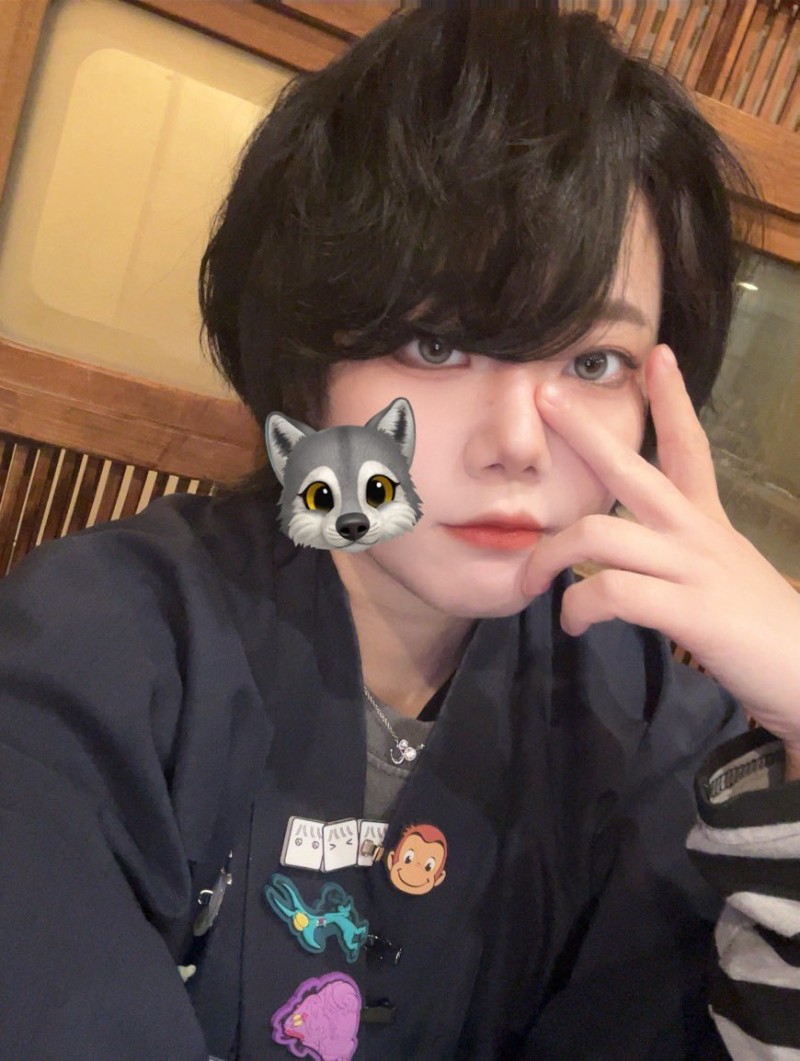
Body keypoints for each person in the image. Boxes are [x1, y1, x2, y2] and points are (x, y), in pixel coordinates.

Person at [1, 6, 798, 1059]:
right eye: (436, 344)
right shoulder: (89, 658)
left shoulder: (653, 722)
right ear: (307, 363)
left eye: (592, 362)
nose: (516, 442)